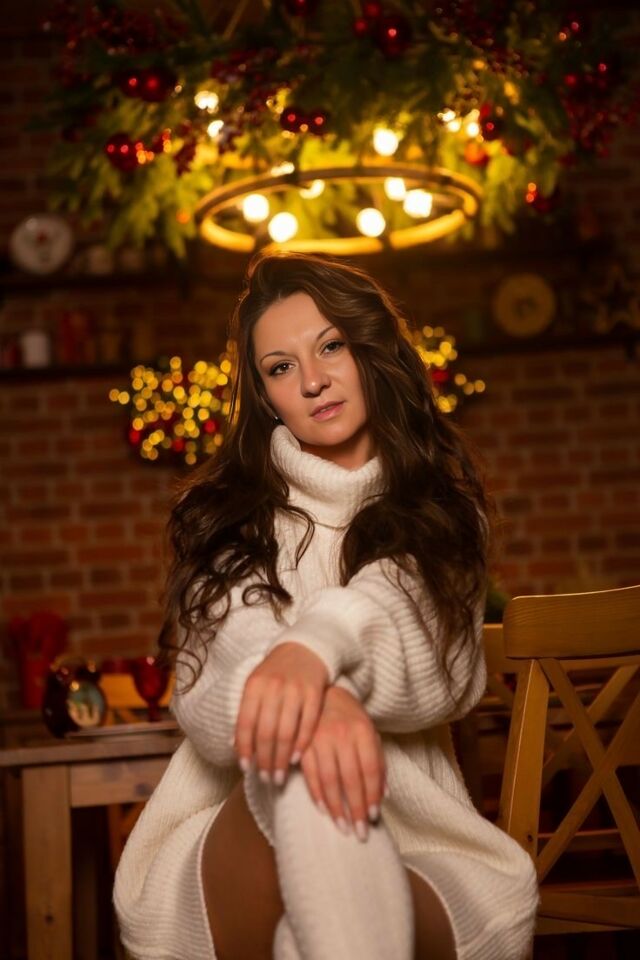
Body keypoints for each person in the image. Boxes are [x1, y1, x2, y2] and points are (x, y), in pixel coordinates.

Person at [114, 251, 538, 960]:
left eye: (331, 346)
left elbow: (429, 650)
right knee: (296, 752)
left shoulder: (444, 513)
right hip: (227, 848)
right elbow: (217, 679)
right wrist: (308, 701)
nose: (312, 380)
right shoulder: (222, 516)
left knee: (307, 939)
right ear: (265, 395)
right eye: (281, 367)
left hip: (423, 847)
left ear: (372, 350)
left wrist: (314, 657)